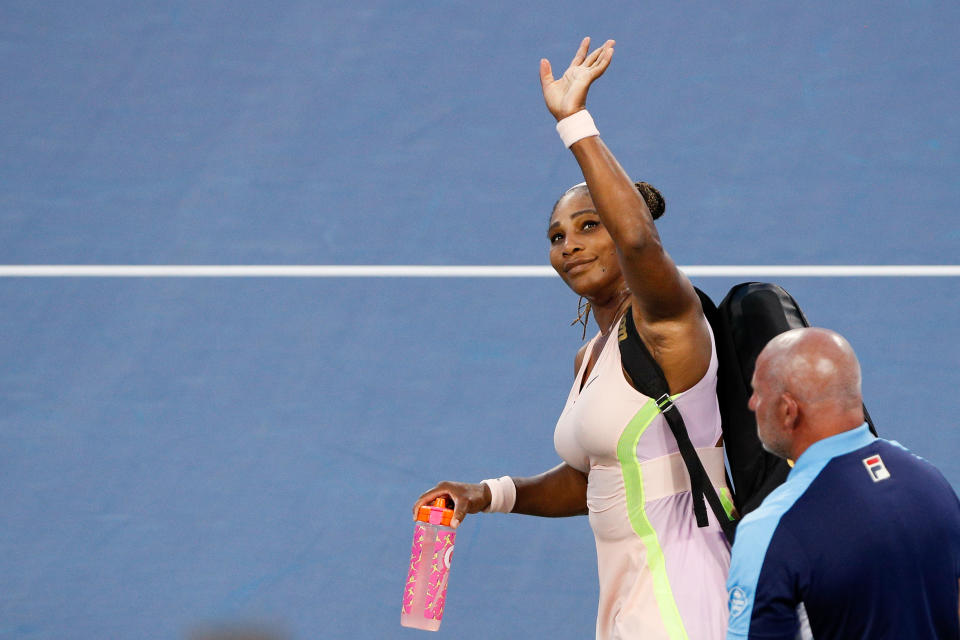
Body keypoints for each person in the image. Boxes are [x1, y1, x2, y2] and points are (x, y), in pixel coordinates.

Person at [414, 37, 731, 639]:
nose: (570, 246)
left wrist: (574, 122)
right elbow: (595, 483)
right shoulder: (593, 355)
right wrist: (485, 494)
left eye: (590, 226)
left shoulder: (668, 323)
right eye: (557, 236)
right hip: (629, 609)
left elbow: (640, 243)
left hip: (682, 608)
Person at [725, 327, 960, 639]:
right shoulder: (931, 481)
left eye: (759, 392)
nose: (753, 404)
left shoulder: (768, 530)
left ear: (787, 410)